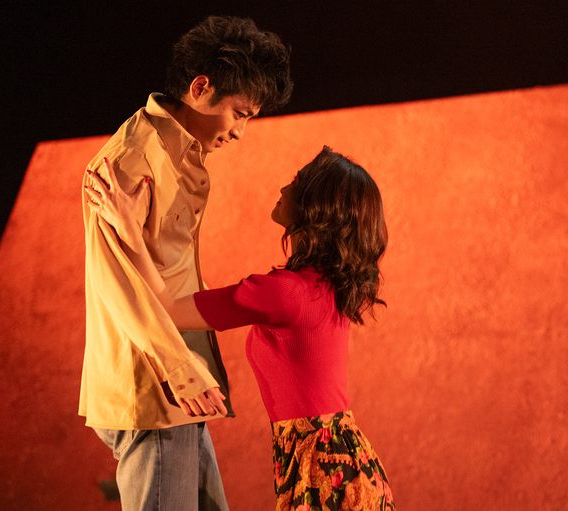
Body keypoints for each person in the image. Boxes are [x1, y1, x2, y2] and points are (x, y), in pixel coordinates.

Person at [85, 146, 396, 511]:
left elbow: (165, 309)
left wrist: (128, 228)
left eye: (297, 182)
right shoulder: (326, 285)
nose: (284, 187)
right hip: (347, 461)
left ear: (317, 207)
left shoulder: (283, 293)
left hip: (324, 469)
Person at [80, 15, 293, 511]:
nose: (240, 131)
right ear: (200, 88)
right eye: (240, 113)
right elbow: (114, 280)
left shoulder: (178, 154)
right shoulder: (131, 160)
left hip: (181, 383)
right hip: (156, 384)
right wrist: (178, 367)